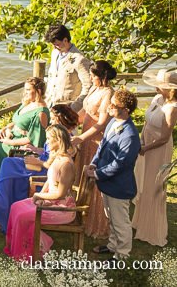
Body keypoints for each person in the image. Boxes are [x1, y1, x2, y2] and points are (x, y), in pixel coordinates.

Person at [0, 103, 79, 231]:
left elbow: (57, 166)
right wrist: (34, 149)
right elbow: (48, 152)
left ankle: (2, 210)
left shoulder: (67, 141)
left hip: (45, 171)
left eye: (52, 118)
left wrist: (38, 162)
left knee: (10, 171)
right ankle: (1, 207)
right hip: (40, 162)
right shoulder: (54, 135)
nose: (50, 121)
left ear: (61, 119)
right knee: (8, 163)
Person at [3, 126, 77, 262]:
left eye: (49, 139)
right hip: (49, 201)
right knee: (15, 207)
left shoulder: (67, 164)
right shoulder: (58, 158)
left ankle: (29, 254)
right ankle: (20, 248)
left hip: (62, 209)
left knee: (23, 216)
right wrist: (39, 196)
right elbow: (50, 181)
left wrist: (39, 196)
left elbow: (60, 194)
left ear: (58, 140)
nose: (47, 142)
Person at [86, 88, 141, 259]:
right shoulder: (113, 122)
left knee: (121, 222)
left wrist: (96, 174)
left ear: (126, 110)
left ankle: (121, 256)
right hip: (107, 182)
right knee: (111, 218)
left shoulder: (130, 136)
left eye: (114, 105)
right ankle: (112, 246)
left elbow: (120, 164)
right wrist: (94, 163)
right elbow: (102, 146)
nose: (109, 107)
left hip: (119, 186)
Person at [70, 59, 116, 238]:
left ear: (103, 77)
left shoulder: (109, 94)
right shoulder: (95, 89)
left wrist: (81, 137)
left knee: (95, 181)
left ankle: (98, 222)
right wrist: (70, 121)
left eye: (93, 75)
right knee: (83, 176)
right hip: (87, 137)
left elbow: (102, 122)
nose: (90, 78)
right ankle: (81, 212)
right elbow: (86, 112)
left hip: (97, 139)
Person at [131, 68, 177, 246]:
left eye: (161, 85)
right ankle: (140, 221)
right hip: (146, 145)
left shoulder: (172, 108)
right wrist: (141, 141)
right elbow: (148, 122)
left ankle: (151, 230)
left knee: (153, 186)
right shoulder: (158, 99)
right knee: (142, 183)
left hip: (157, 149)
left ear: (170, 88)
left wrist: (146, 147)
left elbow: (164, 137)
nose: (157, 87)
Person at [43, 23, 93, 110]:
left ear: (65, 40)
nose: (54, 47)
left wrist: (74, 107)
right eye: (53, 45)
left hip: (67, 108)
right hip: (49, 105)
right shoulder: (54, 53)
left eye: (57, 44)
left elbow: (89, 86)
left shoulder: (79, 59)